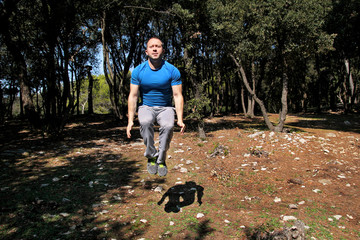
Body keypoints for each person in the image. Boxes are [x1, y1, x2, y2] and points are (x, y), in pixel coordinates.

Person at [126, 37, 185, 177]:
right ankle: (151, 156)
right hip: (146, 106)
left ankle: (161, 158)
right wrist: (130, 121)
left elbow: (177, 95)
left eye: (157, 46)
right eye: (151, 46)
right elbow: (133, 96)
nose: (154, 48)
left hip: (166, 107)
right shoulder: (138, 71)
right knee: (145, 122)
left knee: (168, 126)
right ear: (146, 51)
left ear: (162, 50)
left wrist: (180, 119)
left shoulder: (172, 70)